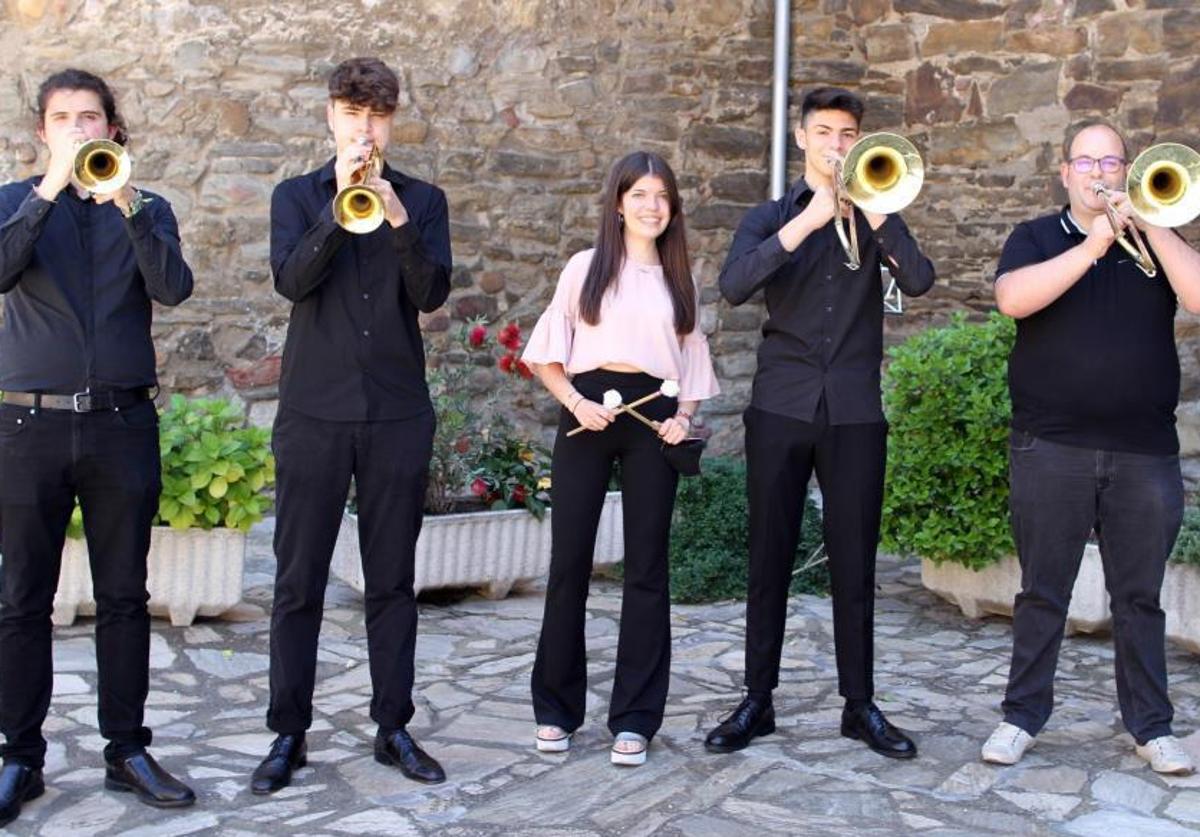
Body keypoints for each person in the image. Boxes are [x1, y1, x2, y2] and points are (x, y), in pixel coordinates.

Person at [706, 86, 934, 758]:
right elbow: (735, 284)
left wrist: (878, 214)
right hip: (781, 404)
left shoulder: (879, 209)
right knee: (769, 556)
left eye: (848, 134)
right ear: (801, 138)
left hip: (856, 411)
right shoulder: (770, 217)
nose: (837, 144)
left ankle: (859, 705)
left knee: (857, 562)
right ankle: (758, 700)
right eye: (826, 132)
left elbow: (919, 280)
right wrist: (807, 222)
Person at [0, 68, 196, 827]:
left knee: (122, 596)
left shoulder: (146, 207)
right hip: (28, 426)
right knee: (22, 599)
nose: (79, 128)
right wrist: (49, 189)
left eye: (92, 117)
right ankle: (20, 756)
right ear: (42, 131)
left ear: (114, 129)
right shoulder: (17, 203)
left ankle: (127, 748)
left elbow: (173, 288)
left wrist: (128, 206)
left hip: (121, 425)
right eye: (63, 118)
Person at [252, 57, 451, 794]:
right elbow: (291, 281)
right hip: (313, 413)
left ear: (393, 120)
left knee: (393, 581)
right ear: (330, 116)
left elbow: (431, 292)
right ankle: (287, 733)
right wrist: (339, 209)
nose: (364, 128)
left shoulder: (423, 200)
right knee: (297, 579)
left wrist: (396, 219)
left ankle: (393, 726)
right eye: (351, 112)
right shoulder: (294, 195)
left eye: (377, 115)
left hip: (397, 412)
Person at [981, 118, 1200, 775]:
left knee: (1140, 598)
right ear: (1065, 172)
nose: (1100, 173)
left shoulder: (1156, 238)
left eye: (1112, 161)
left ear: (1128, 169)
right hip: (1052, 445)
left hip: (1144, 450)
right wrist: (1095, 244)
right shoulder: (1037, 237)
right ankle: (1021, 717)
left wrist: (1152, 225)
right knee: (1043, 591)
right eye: (1087, 161)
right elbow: (1012, 300)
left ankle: (1151, 726)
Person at [522, 151, 719, 766]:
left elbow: (690, 367)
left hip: (652, 421)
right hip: (587, 415)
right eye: (639, 194)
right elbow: (548, 355)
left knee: (647, 568)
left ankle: (635, 718)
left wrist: (682, 419)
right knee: (569, 563)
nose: (651, 206)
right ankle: (556, 709)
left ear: (673, 207)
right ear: (618, 202)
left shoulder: (679, 278)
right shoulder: (584, 268)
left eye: (662, 196)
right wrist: (576, 403)